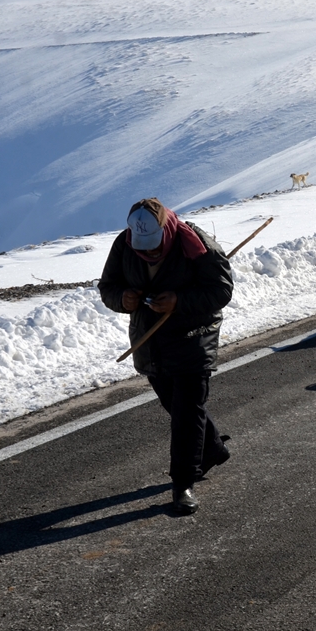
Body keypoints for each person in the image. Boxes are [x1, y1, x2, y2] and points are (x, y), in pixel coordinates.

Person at [99, 198, 234, 515]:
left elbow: (221, 290)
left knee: (187, 410)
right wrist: (123, 298)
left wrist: (179, 300)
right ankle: (212, 448)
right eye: (142, 247)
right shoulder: (124, 244)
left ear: (167, 229)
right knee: (176, 405)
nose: (148, 253)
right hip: (151, 341)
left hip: (193, 336)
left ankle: (183, 482)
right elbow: (108, 286)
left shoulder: (196, 242)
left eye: (154, 245)